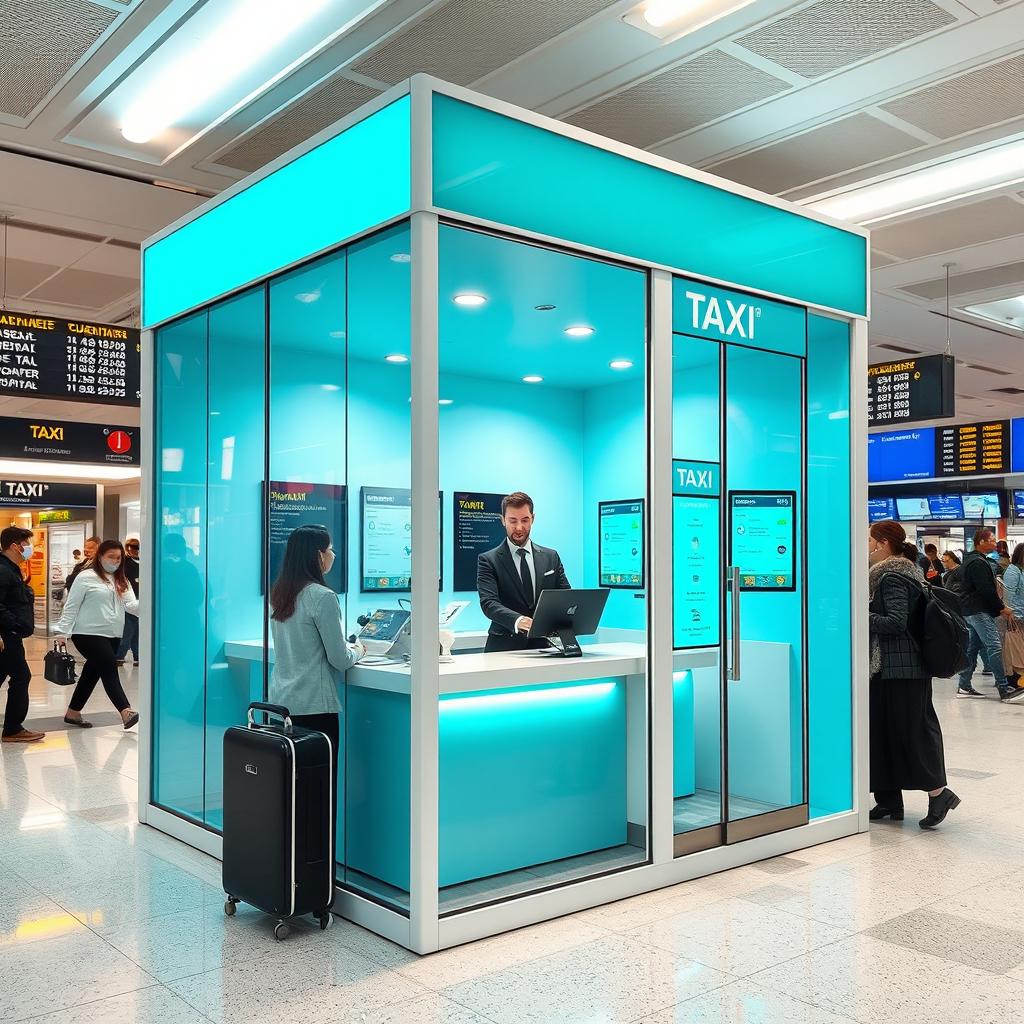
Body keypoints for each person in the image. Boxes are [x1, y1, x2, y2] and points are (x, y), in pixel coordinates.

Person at [868, 520, 959, 829]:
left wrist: (859, 615)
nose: (866, 546)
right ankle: (888, 800)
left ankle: (940, 794)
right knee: (882, 733)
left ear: (882, 544)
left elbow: (895, 622)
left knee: (913, 732)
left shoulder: (891, 576)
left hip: (903, 669)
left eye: (869, 540)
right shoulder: (897, 573)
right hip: (886, 669)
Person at [269, 525, 363, 806]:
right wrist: (359, 649)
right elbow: (340, 659)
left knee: (293, 793)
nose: (333, 554)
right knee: (319, 795)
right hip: (315, 710)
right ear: (318, 556)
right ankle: (318, 851)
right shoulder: (322, 597)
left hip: (283, 705)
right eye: (330, 549)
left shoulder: (281, 593)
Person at [56, 540, 140, 729]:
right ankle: (125, 711)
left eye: (119, 558)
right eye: (111, 556)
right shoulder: (86, 577)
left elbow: (131, 606)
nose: (115, 561)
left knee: (92, 672)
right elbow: (72, 606)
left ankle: (73, 712)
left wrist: (152, 603)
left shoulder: (121, 579)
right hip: (87, 633)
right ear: (100, 556)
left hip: (112, 635)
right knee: (109, 666)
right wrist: (62, 632)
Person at [477, 491, 571, 653]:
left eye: (525, 520)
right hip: (503, 648)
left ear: (533, 519)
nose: (519, 527)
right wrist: (519, 620)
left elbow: (566, 596)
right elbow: (489, 604)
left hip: (544, 647)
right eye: (513, 521)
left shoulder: (551, 557)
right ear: (503, 520)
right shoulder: (488, 560)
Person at [956, 528, 1024, 701]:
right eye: (992, 540)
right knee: (994, 646)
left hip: (971, 610)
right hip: (979, 610)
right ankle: (1004, 689)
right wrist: (1001, 608)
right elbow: (986, 590)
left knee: (973, 647)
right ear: (981, 542)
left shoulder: (974, 560)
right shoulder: (978, 563)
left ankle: (963, 685)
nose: (995, 543)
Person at [0, 527, 45, 743]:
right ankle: (12, 729)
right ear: (14, 546)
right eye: (28, 544)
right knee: (21, 676)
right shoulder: (3, 569)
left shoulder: (12, 568)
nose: (31, 549)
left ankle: (12, 728)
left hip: (11, 633)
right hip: (7, 635)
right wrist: (14, 625)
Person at [1001, 543, 1024, 688]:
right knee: (1015, 649)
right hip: (1015, 615)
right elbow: (1008, 594)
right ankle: (1013, 679)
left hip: (1022, 615)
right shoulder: (1013, 571)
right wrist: (1009, 613)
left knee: (1020, 649)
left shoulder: (1021, 570)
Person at [116, 538, 140, 666]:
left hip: (142, 601)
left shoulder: (146, 561)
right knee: (128, 631)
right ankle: (120, 655)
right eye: (130, 547)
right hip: (128, 601)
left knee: (138, 632)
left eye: (136, 547)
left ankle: (138, 656)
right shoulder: (125, 563)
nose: (133, 550)